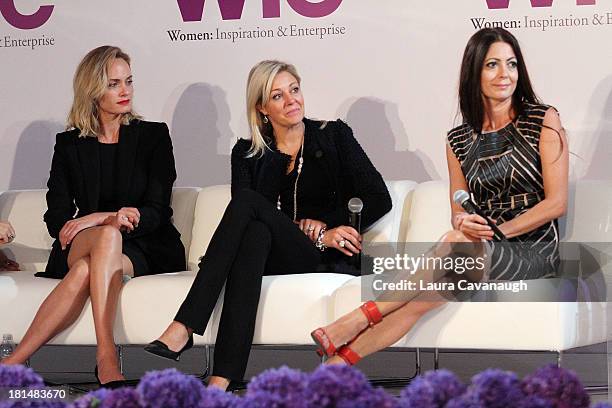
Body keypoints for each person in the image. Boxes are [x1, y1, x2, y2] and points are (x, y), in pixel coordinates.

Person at [310, 27, 568, 365]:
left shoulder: (542, 119)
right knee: (421, 299)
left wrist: (493, 232)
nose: (505, 75)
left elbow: (556, 203)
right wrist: (466, 221)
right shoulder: (458, 139)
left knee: (453, 241)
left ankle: (359, 317)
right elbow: (458, 206)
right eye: (493, 65)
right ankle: (334, 371)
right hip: (478, 246)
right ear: (474, 72)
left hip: (532, 248)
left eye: (512, 64)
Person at [145, 60, 392, 390]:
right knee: (255, 234)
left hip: (319, 255)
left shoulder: (333, 136)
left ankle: (185, 326)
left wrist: (326, 230)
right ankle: (221, 380)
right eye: (278, 96)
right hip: (270, 254)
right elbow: (251, 219)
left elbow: (379, 197)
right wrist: (276, 149)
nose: (292, 101)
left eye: (294, 90)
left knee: (246, 203)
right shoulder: (247, 152)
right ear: (262, 108)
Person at [0, 46, 186, 388]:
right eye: (114, 84)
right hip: (85, 241)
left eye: (128, 81)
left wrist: (103, 217)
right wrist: (104, 220)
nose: (125, 91)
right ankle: (106, 356)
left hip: (144, 244)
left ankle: (14, 362)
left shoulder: (153, 136)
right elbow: (56, 219)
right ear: (92, 90)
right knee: (106, 236)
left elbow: (159, 209)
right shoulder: (69, 144)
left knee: (93, 260)